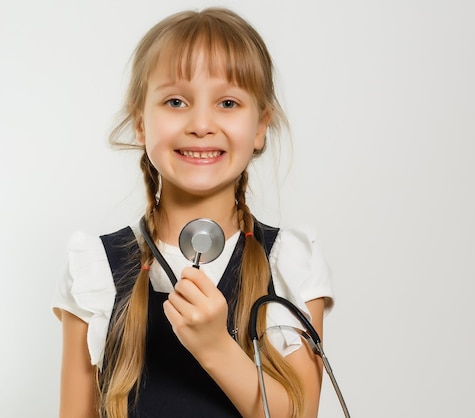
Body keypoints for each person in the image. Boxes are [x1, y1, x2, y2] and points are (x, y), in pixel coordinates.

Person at [52, 7, 334, 418]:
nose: (201, 124)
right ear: (141, 123)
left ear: (260, 127)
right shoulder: (95, 270)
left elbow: (300, 414)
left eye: (228, 102)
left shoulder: (289, 261)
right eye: (176, 101)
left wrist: (215, 347)